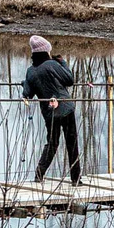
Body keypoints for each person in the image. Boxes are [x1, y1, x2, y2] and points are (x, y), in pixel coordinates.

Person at [23, 35, 82, 184]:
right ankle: (76, 179)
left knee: (52, 143)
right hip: (66, 108)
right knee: (72, 143)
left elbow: (27, 94)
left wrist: (24, 83)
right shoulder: (52, 64)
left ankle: (39, 174)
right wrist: (63, 63)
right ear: (45, 51)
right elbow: (69, 80)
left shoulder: (31, 71)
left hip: (49, 113)